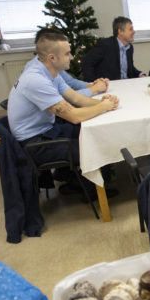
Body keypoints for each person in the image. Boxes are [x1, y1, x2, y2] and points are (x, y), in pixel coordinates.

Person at [8, 31, 118, 189]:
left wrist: (103, 102)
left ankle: (72, 178)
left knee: (96, 134)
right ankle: (86, 189)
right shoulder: (36, 80)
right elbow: (73, 116)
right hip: (36, 143)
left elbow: (76, 98)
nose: (71, 57)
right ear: (52, 58)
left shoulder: (51, 72)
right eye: (67, 54)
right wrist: (103, 107)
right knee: (93, 147)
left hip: (47, 131)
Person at [34, 28, 109, 97]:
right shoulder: (36, 77)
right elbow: (62, 99)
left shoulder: (52, 66)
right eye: (67, 53)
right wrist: (94, 89)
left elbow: (71, 82)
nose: (71, 57)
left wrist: (94, 85)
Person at [81, 16, 146, 80]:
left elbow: (130, 69)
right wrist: (94, 82)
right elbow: (86, 63)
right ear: (120, 31)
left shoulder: (129, 47)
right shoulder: (105, 44)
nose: (134, 31)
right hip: (109, 85)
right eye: (131, 29)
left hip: (126, 83)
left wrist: (140, 74)